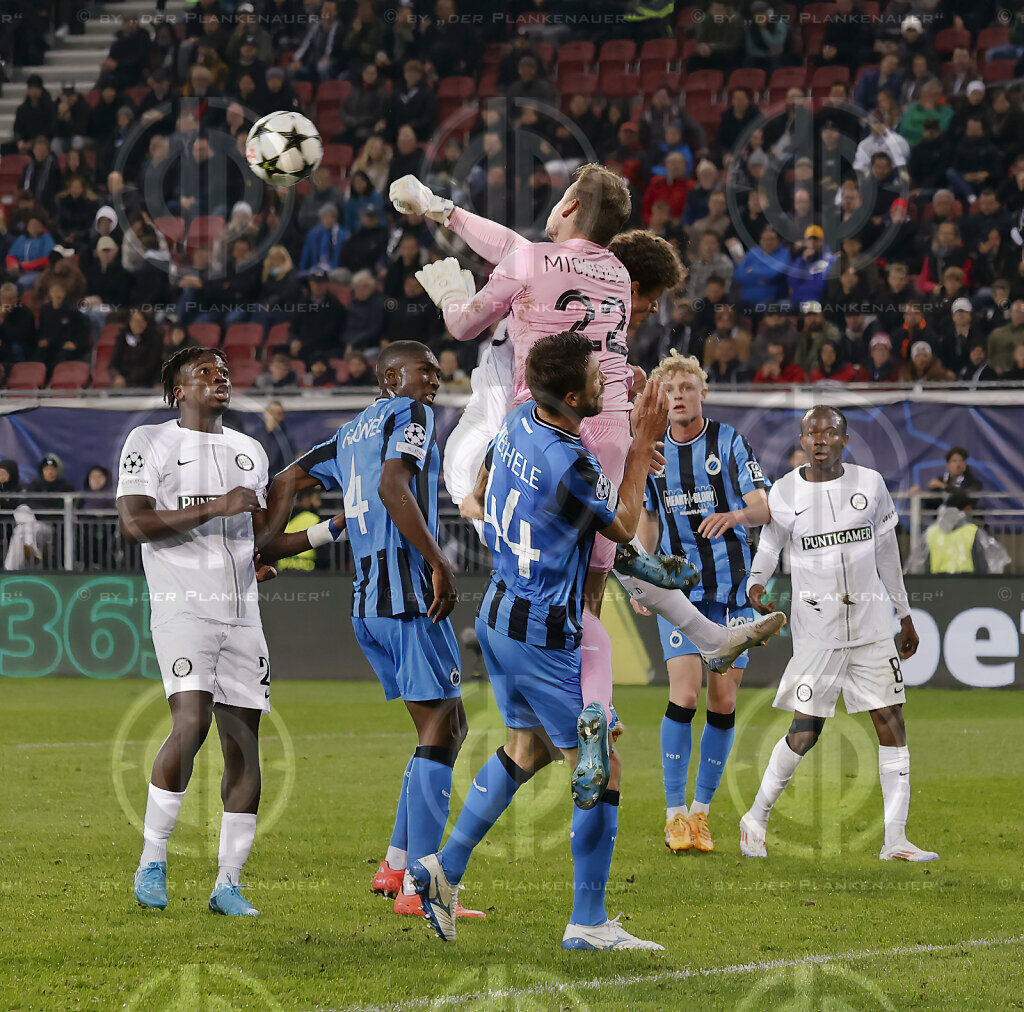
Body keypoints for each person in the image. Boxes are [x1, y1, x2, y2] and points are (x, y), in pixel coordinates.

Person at [412, 332, 668, 950]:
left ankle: (444, 869)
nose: (605, 381)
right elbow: (626, 532)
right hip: (543, 630)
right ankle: (588, 921)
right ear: (576, 395)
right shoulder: (572, 465)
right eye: (596, 376)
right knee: (600, 766)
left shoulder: (526, 421)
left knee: (525, 749)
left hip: (500, 612)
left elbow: (485, 481)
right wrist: (637, 452)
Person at [117, 347, 342, 917]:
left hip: (243, 614)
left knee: (243, 745)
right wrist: (215, 507)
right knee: (189, 723)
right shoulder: (148, 441)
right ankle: (152, 861)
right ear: (177, 391)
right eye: (204, 374)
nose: (220, 379)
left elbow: (264, 542)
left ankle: (228, 883)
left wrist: (337, 528)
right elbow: (134, 523)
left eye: (224, 372)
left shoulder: (249, 450)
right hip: (182, 606)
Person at [265, 342, 482, 921]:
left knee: (443, 727)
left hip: (368, 605)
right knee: (442, 729)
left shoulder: (349, 433)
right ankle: (421, 887)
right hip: (410, 599)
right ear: (392, 377)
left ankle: (394, 865)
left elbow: (286, 478)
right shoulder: (409, 414)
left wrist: (275, 543)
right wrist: (438, 562)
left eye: (439, 373)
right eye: (426, 372)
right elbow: (392, 486)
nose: (436, 381)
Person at [740, 406, 938, 863]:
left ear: (845, 439)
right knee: (805, 732)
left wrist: (903, 614)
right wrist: (755, 583)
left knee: (891, 722)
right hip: (818, 633)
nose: (821, 438)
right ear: (803, 440)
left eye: (830, 431)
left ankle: (895, 840)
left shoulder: (870, 485)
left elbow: (888, 554)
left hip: (870, 628)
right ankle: (756, 817)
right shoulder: (785, 492)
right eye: (813, 432)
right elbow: (769, 547)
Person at [630, 352, 770, 854]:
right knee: (684, 695)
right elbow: (647, 519)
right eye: (670, 390)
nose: (679, 397)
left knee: (723, 700)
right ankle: (674, 816)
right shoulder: (650, 453)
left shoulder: (728, 442)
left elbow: (765, 505)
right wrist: (642, 579)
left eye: (687, 387)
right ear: (661, 398)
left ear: (702, 392)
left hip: (732, 597)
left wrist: (733, 517)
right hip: (680, 594)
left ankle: (702, 813)